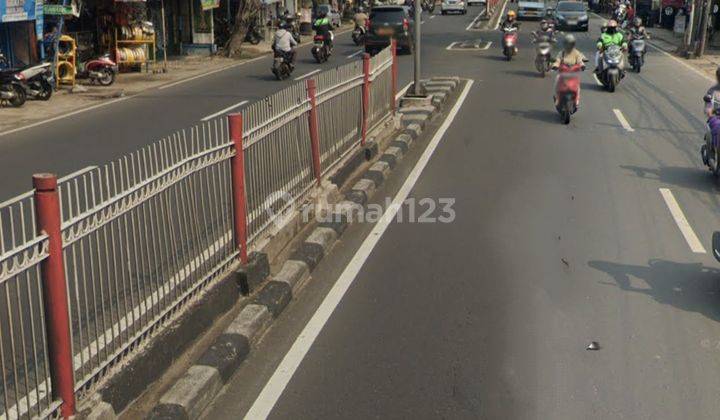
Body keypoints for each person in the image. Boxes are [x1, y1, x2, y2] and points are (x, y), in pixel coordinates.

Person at [552, 34, 587, 106]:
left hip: (573, 73)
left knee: (577, 86)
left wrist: (582, 65)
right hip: (563, 73)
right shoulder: (562, 53)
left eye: (570, 44)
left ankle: (577, 100)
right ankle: (557, 97)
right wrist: (555, 66)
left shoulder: (576, 53)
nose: (569, 45)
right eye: (568, 44)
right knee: (556, 81)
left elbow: (580, 60)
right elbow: (557, 60)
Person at [705, 67, 720, 152]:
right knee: (718, 126)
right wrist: (710, 111)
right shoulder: (713, 90)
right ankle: (716, 148)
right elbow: (708, 105)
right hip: (716, 117)